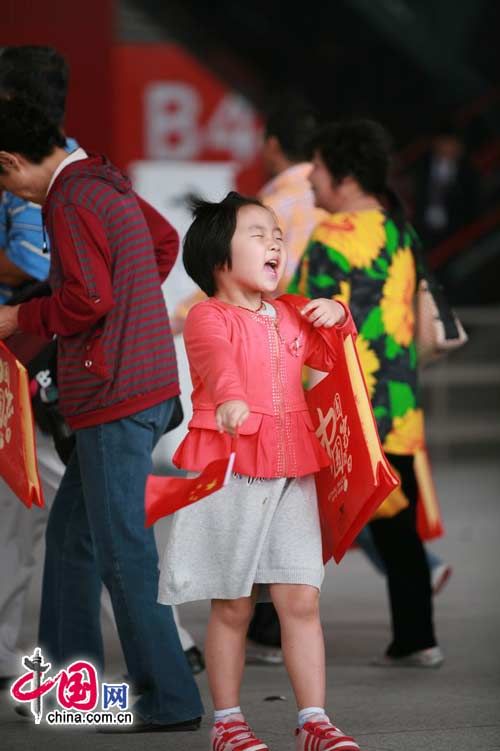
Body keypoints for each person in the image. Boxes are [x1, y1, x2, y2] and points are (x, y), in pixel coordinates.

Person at [0, 45, 204, 685]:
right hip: (116, 384)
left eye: (2, 179)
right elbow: (160, 246)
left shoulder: (66, 197)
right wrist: (133, 310)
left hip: (109, 391)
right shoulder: (97, 174)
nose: (8, 192)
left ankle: (170, 696)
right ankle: (68, 683)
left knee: (121, 551)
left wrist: (20, 318)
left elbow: (87, 297)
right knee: (71, 540)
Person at [156, 191, 362, 751]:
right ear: (219, 257)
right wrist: (226, 401)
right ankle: (227, 722)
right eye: (258, 233)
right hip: (232, 464)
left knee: (301, 598)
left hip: (293, 462)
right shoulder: (206, 314)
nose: (276, 241)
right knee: (234, 602)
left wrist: (340, 315)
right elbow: (216, 363)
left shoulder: (294, 310)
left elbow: (335, 356)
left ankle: (314, 721)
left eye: (277, 233)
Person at [290, 119, 444, 667]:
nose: (311, 178)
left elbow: (299, 317)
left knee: (295, 518)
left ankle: (265, 630)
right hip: (399, 403)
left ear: (346, 176)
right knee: (397, 527)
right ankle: (417, 638)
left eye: (319, 169)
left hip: (347, 407)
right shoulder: (404, 230)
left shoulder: (332, 239)